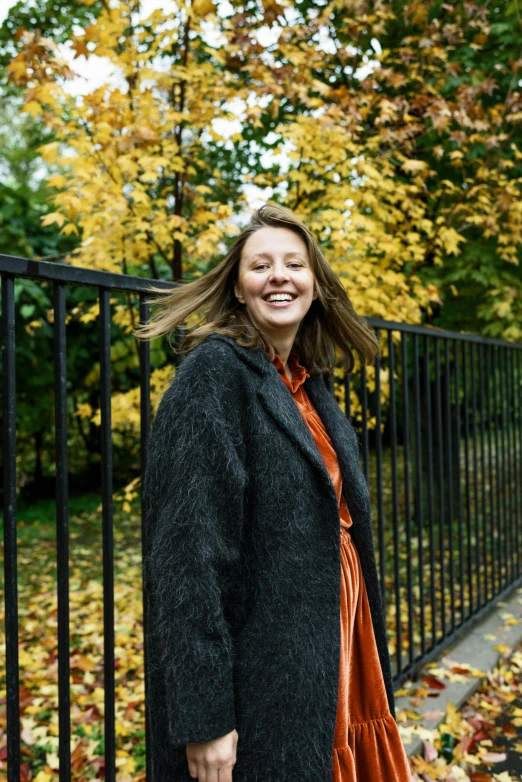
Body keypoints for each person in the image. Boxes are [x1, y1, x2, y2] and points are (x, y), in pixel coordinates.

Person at [135, 203, 412, 781]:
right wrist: (205, 718)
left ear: (315, 284)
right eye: (261, 265)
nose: (279, 275)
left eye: (295, 264)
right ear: (238, 289)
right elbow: (188, 561)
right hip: (266, 675)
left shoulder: (308, 385)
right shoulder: (213, 376)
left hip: (332, 656)